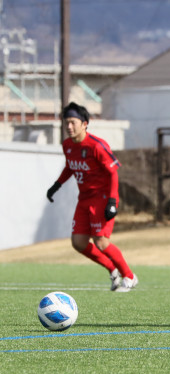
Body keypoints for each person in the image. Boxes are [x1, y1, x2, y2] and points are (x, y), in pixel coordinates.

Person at [46, 102, 138, 292]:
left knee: (101, 241)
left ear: (84, 123)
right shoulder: (68, 145)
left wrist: (112, 201)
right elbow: (70, 166)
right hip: (84, 199)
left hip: (102, 198)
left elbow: (113, 173)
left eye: (73, 122)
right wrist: (57, 185)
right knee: (78, 243)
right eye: (66, 123)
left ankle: (129, 276)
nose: (69, 127)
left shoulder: (97, 145)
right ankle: (112, 269)